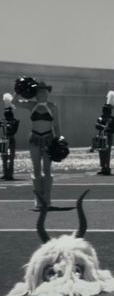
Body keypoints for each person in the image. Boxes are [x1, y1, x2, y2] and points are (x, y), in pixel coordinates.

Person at [15, 80, 63, 210]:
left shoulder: (53, 106)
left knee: (47, 170)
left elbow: (56, 125)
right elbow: (14, 103)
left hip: (49, 139)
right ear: (35, 93)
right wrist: (19, 91)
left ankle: (47, 200)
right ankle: (38, 200)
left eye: (44, 91)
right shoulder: (31, 105)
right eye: (39, 91)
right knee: (36, 169)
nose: (42, 93)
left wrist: (59, 140)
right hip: (34, 139)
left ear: (47, 93)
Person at [94, 91, 114, 175]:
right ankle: (103, 167)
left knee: (107, 152)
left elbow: (113, 129)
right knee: (101, 152)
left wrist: (106, 129)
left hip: (108, 137)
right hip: (101, 136)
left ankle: (107, 167)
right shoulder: (101, 118)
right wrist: (103, 127)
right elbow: (97, 125)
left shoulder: (112, 119)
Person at [1, 93, 19, 180]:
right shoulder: (5, 121)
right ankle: (6, 173)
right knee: (5, 157)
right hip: (5, 138)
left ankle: (9, 174)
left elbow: (13, 130)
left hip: (10, 138)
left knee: (10, 157)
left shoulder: (13, 121)